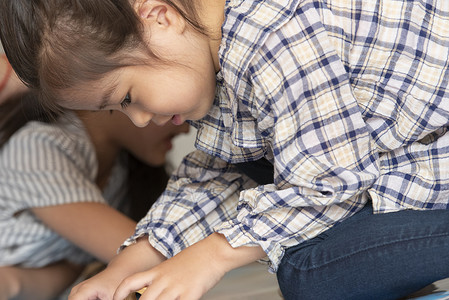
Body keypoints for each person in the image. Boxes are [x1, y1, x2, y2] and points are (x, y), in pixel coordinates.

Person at [1, 0, 449, 299]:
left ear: (160, 17)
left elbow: (330, 181)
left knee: (308, 273)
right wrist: (123, 267)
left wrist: (212, 255)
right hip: (399, 162)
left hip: (426, 162)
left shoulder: (276, 37)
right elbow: (216, 174)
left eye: (127, 97)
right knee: (262, 183)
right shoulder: (222, 64)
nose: (139, 119)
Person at [0, 56, 190, 300]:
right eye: (175, 112)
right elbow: (156, 250)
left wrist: (11, 283)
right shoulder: (38, 148)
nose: (185, 127)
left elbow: (58, 273)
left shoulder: (123, 174)